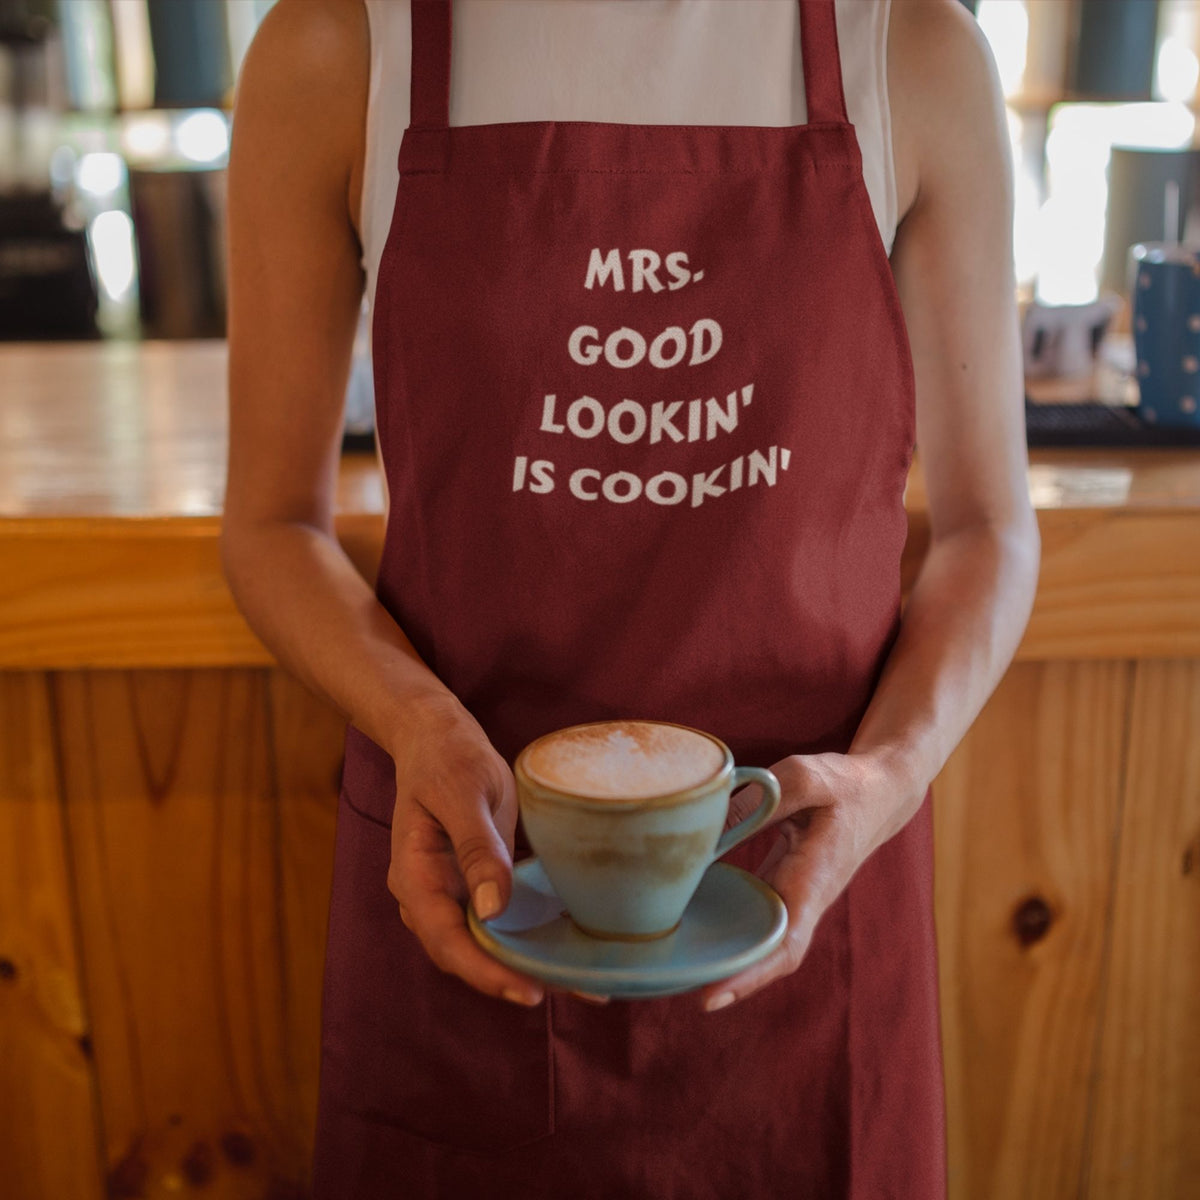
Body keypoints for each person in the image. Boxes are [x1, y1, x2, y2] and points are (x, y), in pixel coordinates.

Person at [222, 0, 1040, 1195]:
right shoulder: (341, 45)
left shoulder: (906, 48)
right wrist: (415, 723)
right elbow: (269, 527)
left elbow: (988, 531)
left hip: (808, 899)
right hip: (468, 879)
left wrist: (886, 777)